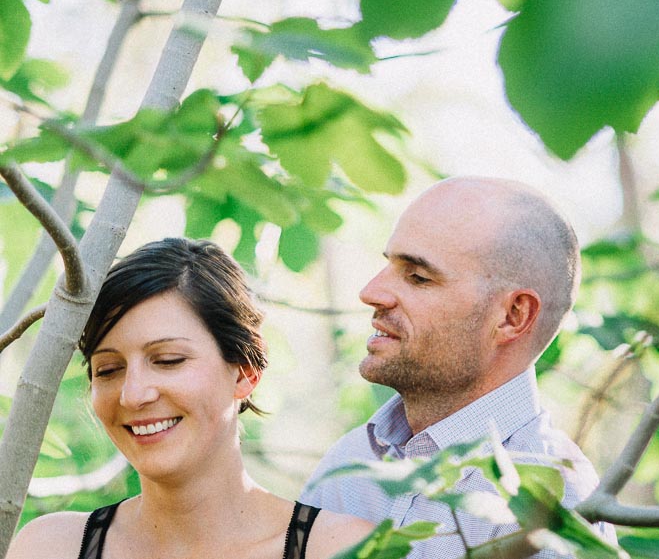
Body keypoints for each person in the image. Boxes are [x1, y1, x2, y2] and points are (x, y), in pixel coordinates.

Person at [7, 238, 376, 559]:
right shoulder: (51, 548)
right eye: (108, 370)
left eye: (168, 360)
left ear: (246, 370)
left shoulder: (340, 549)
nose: (133, 394)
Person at [300, 176, 607, 557]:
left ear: (513, 316)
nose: (371, 293)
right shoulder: (351, 463)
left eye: (418, 277)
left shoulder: (555, 508)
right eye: (388, 267)